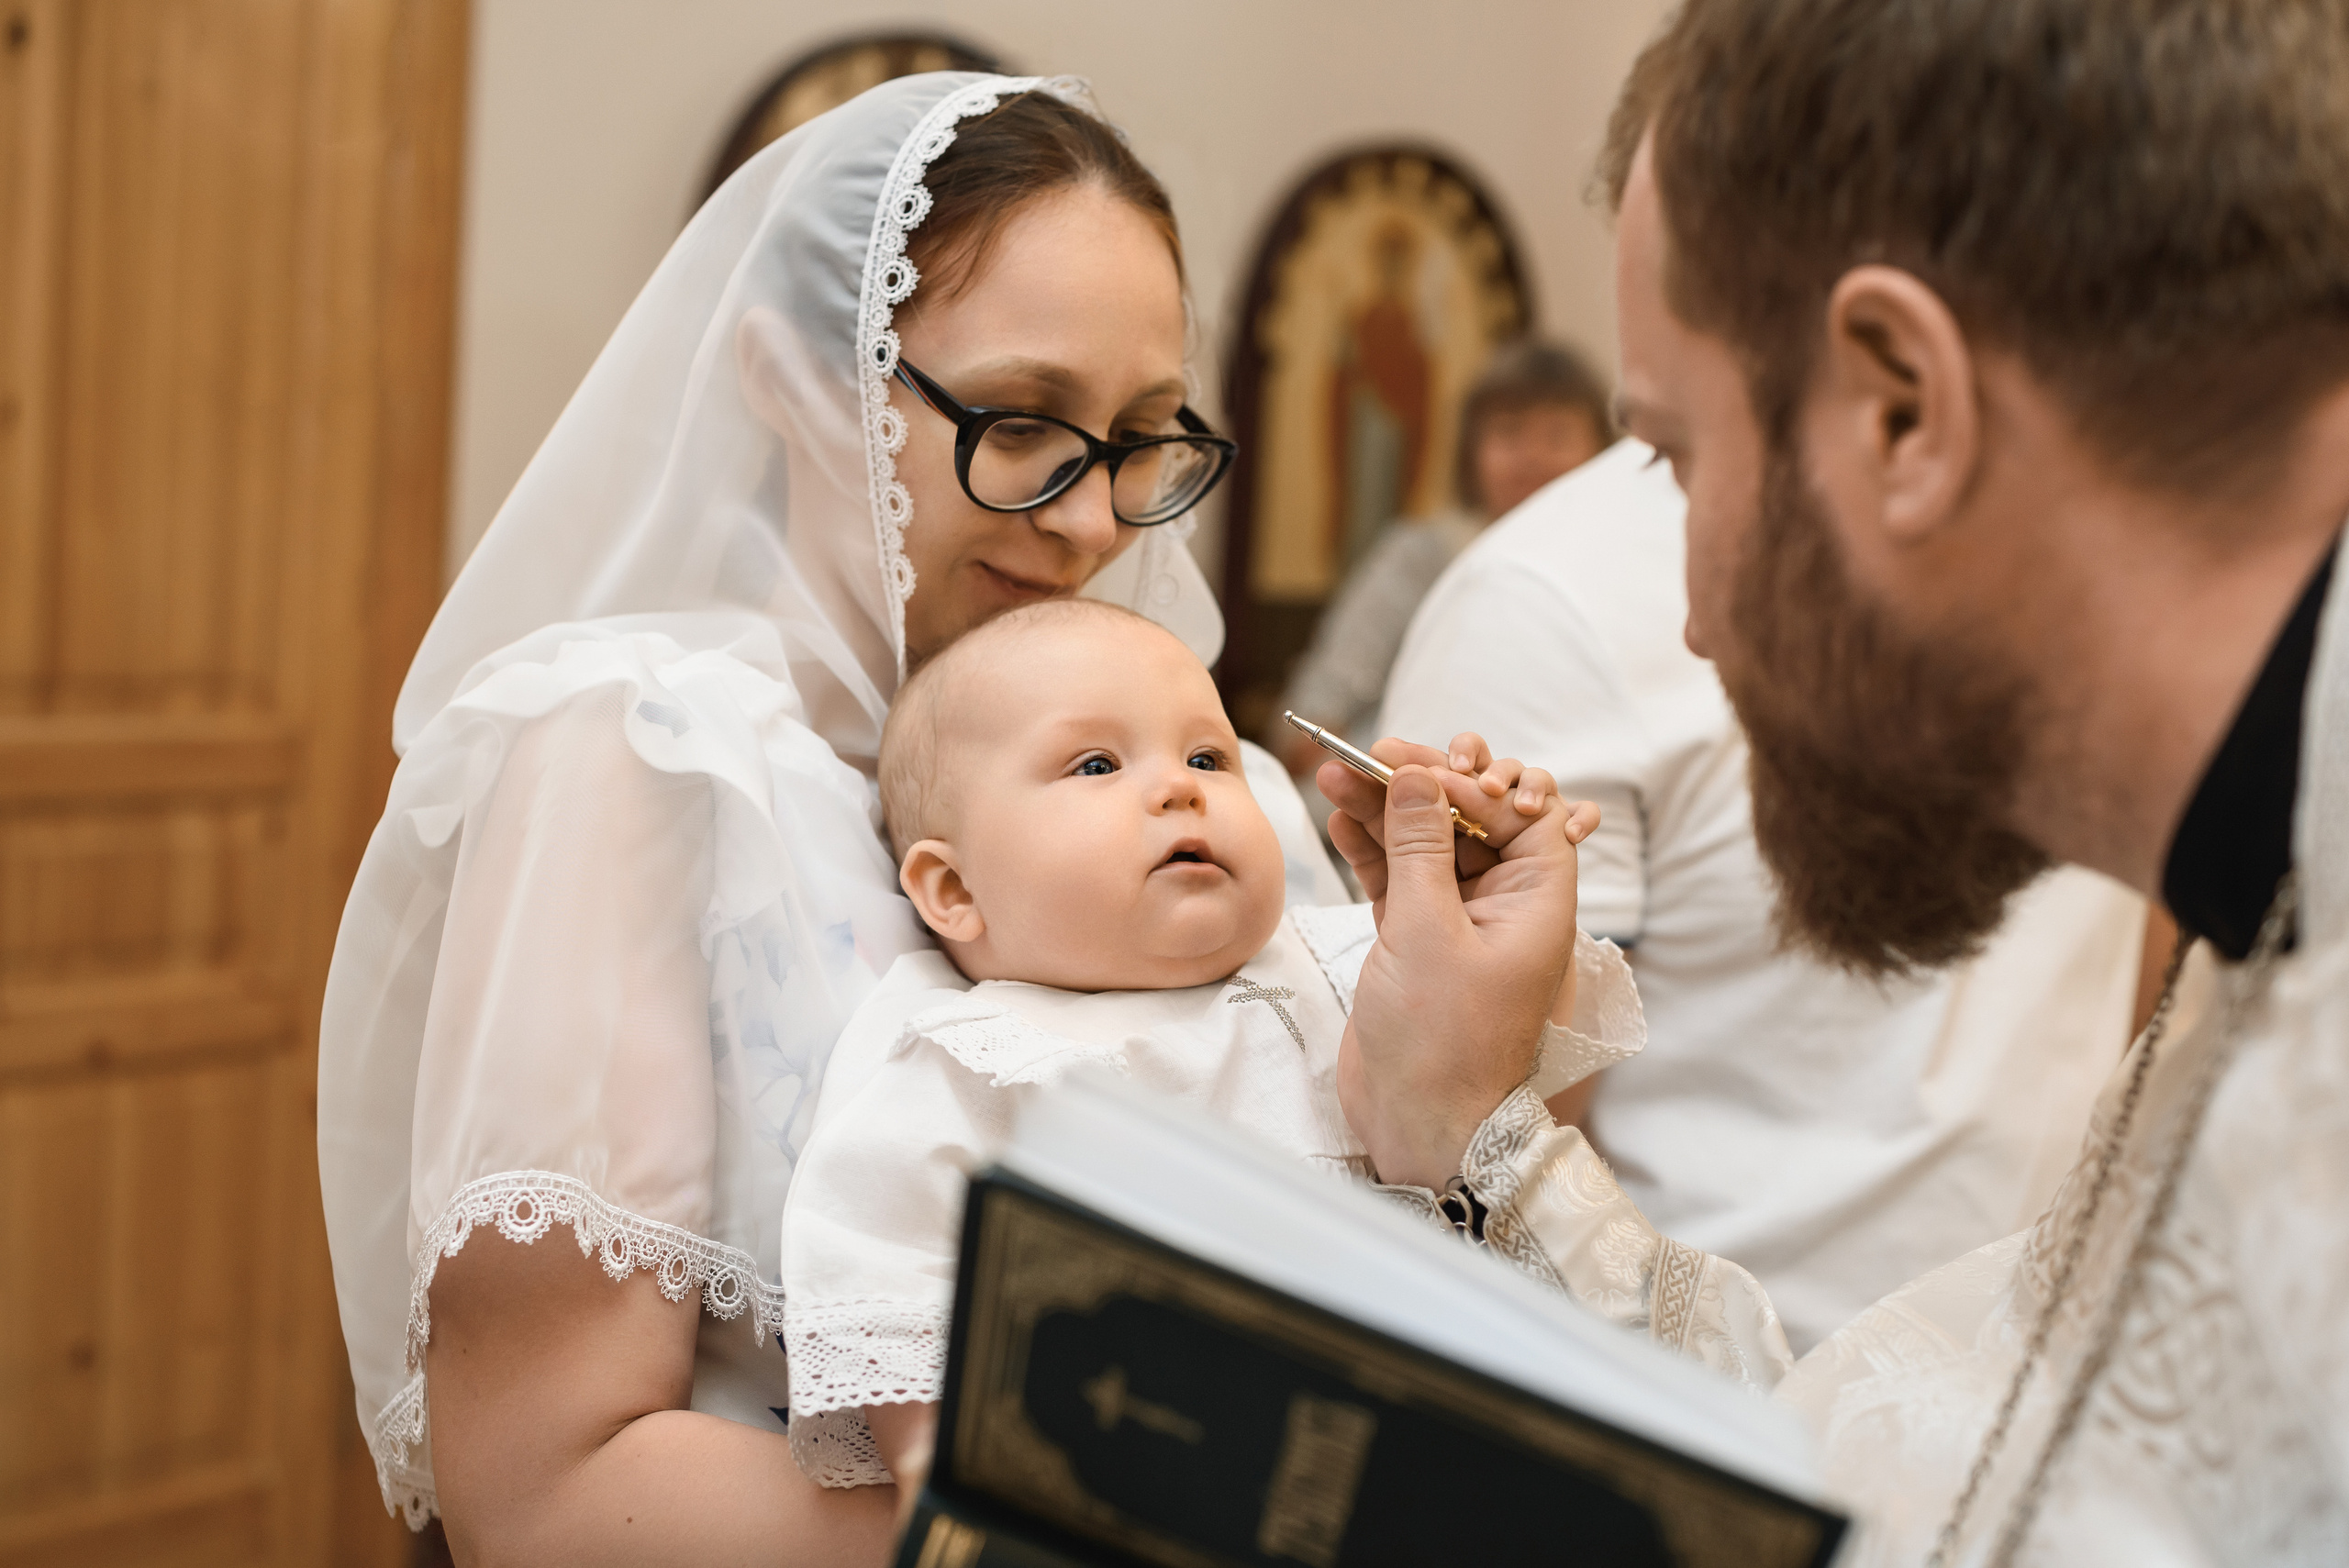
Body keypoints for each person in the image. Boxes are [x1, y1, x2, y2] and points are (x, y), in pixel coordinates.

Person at [1324, 2, 2349, 1562]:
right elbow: (1937, 1481)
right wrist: (1478, 1130)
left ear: (1904, 409)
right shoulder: (2268, 903)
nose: (1690, 616)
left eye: (1678, 459)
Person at [315, 74, 1347, 1563]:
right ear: (793, 378)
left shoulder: (1200, 781)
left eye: (1136, 437)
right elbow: (536, 1497)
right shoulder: (639, 757)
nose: (1088, 520)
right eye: (1019, 421)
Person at [772, 596, 1618, 1488]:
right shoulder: (958, 1057)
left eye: (1208, 755)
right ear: (952, 888)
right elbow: (891, 1283)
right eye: (1095, 762)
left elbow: (1512, 1075)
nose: (1182, 786)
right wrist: (941, 1467)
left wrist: (1498, 907)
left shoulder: (1342, 960)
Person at [1380, 441, 2146, 1351]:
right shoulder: (1541, 601)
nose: (1701, 627)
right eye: (1670, 446)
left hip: (2059, 1390)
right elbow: (1480, 1178)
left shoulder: (2124, 537)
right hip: (1713, 1402)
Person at [1272, 339, 1609, 782]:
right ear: (1471, 452)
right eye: (1509, 432)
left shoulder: (1622, 571)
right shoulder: (1423, 555)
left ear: (1606, 453)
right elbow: (1313, 717)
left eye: (1558, 435)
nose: (1533, 457)